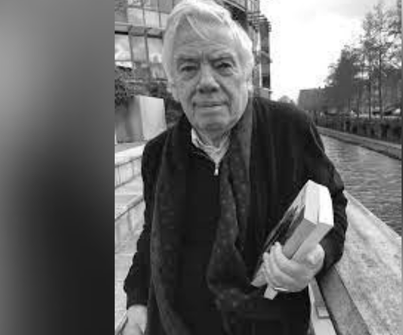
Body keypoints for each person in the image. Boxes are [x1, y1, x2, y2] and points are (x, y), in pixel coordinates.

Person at [122, 1, 347, 334]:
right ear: (173, 84)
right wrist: (138, 300)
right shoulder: (158, 154)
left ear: (245, 73)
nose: (206, 82)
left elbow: (335, 207)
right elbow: (150, 235)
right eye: (188, 68)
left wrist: (317, 257)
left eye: (222, 64)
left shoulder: (289, 129)